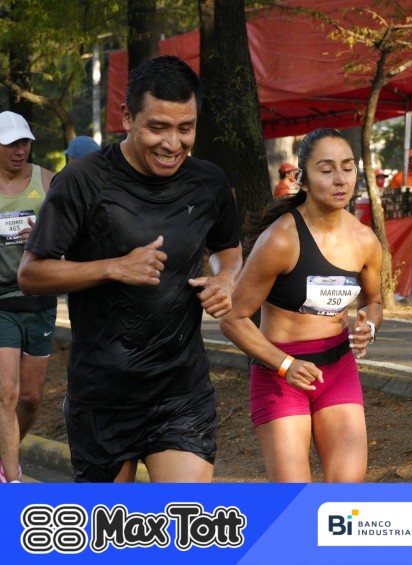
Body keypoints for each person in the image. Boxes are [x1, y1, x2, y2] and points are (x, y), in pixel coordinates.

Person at [17, 55, 243, 483]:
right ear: (127, 117)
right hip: (103, 396)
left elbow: (228, 248)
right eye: (157, 127)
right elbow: (31, 274)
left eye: (185, 128)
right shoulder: (83, 180)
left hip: (181, 391)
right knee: (115, 525)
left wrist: (225, 278)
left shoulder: (208, 182)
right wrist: (113, 267)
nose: (172, 144)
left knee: (184, 516)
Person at [219, 127, 382, 483]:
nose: (340, 179)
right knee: (295, 498)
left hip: (337, 369)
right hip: (280, 373)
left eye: (348, 168)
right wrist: (286, 365)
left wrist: (368, 326)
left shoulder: (365, 240)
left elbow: (373, 301)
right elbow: (233, 318)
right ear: (302, 179)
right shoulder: (280, 239)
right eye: (326, 170)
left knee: (346, 492)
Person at [0, 112, 56, 483]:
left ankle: (6, 452)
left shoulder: (47, 181)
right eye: (11, 144)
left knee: (31, 398)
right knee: (7, 393)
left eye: (25, 142)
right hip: (2, 301)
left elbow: (71, 235)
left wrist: (44, 236)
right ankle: (12, 479)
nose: (20, 150)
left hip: (39, 300)